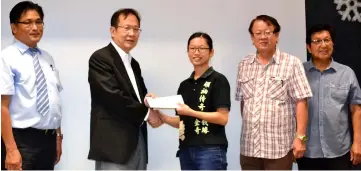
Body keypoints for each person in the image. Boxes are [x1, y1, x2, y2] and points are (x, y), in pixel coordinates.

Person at [87, 8, 162, 170]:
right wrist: (148, 113)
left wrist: (148, 100)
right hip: (114, 145)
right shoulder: (100, 58)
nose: (132, 33)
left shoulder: (133, 63)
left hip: (137, 140)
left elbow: (135, 98)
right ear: (113, 31)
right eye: (127, 28)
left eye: (136, 29)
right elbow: (112, 97)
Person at [235, 15, 313, 170]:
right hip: (249, 147)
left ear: (277, 35)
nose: (263, 37)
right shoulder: (244, 64)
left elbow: (301, 102)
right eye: (258, 33)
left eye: (268, 32)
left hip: (279, 148)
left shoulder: (292, 63)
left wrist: (300, 138)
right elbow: (243, 102)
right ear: (252, 37)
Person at [152, 32, 230, 170]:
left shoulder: (218, 80)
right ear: (187, 51)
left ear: (211, 52)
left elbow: (222, 118)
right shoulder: (184, 85)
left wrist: (192, 112)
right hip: (186, 149)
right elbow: (182, 121)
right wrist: (162, 116)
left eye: (201, 48)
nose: (196, 52)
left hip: (210, 149)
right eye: (192, 48)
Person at [1, 1, 63, 170]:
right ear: (14, 27)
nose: (35, 27)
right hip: (21, 141)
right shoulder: (6, 57)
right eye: (28, 22)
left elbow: (53, 99)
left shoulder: (47, 58)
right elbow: (2, 106)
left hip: (48, 141)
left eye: (39, 22)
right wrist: (11, 149)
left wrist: (58, 137)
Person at [296, 24, 361, 170]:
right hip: (307, 150)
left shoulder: (346, 73)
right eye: (317, 41)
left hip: (339, 150)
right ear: (308, 47)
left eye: (327, 40)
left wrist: (358, 143)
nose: (323, 45)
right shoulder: (299, 72)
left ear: (333, 44)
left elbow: (356, 109)